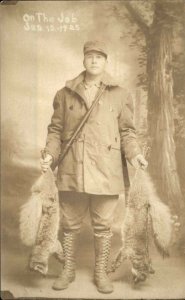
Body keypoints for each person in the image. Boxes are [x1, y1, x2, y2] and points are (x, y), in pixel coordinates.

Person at [41, 40, 148, 294]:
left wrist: (135, 156)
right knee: (69, 224)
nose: (94, 60)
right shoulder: (64, 94)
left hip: (106, 171)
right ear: (83, 59)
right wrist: (49, 155)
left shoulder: (120, 94)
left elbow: (127, 133)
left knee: (103, 226)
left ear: (106, 61)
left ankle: (100, 272)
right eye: (90, 55)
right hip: (72, 170)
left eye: (99, 56)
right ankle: (67, 269)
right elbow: (55, 131)